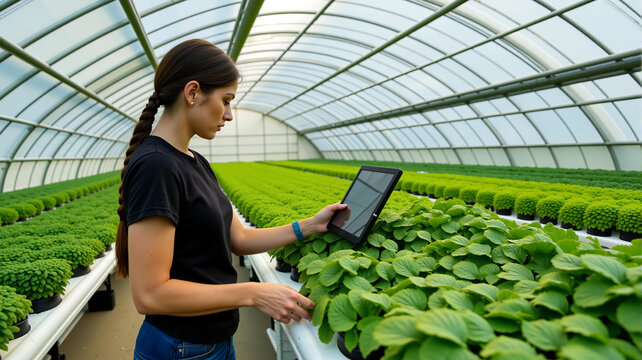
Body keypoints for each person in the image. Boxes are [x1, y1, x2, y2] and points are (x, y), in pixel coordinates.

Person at [115, 39, 347, 360]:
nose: (229, 115)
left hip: (208, 343)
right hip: (181, 347)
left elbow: (238, 238)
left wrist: (309, 225)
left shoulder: (193, 159)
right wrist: (253, 293)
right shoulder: (157, 166)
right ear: (192, 92)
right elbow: (150, 295)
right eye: (225, 100)